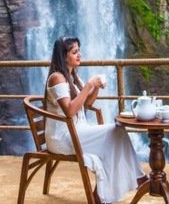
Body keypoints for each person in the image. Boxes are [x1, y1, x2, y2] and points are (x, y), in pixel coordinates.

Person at [45, 36, 146, 204]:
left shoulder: (72, 77)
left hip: (77, 131)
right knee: (116, 131)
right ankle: (136, 180)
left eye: (79, 51)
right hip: (62, 137)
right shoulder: (57, 78)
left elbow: (86, 104)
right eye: (74, 52)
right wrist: (88, 86)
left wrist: (96, 87)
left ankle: (114, 188)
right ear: (64, 56)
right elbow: (70, 111)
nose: (79, 55)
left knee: (118, 130)